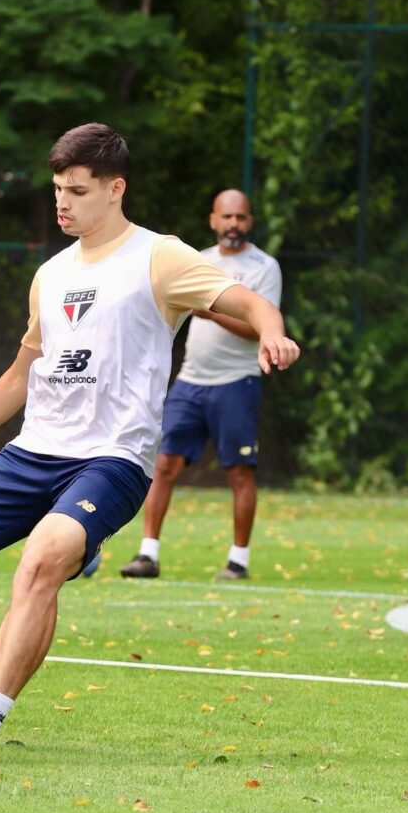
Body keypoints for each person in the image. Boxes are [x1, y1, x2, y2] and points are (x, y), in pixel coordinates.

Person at [0, 126, 299, 768]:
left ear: (115, 189)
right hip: (31, 453)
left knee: (42, 560)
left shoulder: (160, 257)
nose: (63, 203)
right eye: (57, 190)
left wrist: (273, 333)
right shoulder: (50, 274)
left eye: (76, 191)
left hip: (112, 460)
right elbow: (22, 374)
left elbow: (246, 300)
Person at [120, 189, 282, 582]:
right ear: (213, 220)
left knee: (240, 471)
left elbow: (256, 327)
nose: (233, 225)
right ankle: (148, 554)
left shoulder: (264, 266)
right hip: (190, 380)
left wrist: (209, 311)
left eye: (241, 217)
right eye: (227, 217)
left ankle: (238, 560)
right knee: (163, 464)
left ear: (250, 222)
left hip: (237, 382)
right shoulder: (199, 262)